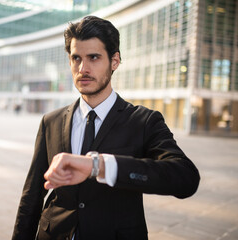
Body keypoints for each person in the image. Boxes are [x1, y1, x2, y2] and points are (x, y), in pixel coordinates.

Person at [12, 16, 200, 240]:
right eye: (76, 58)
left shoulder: (144, 121)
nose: (83, 68)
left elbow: (186, 178)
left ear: (115, 61)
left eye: (93, 57)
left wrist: (99, 166)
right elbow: (32, 196)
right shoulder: (50, 121)